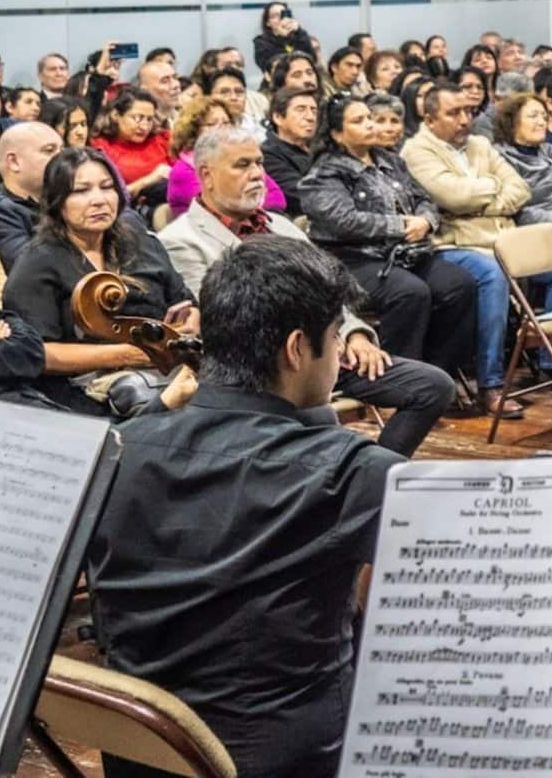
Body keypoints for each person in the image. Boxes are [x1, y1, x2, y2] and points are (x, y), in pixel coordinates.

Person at [86, 236, 401, 778]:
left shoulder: (115, 450)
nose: (337, 362)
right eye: (334, 339)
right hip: (288, 761)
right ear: (297, 349)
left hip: (143, 750)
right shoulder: (352, 472)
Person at [160, 127, 454, 457]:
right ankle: (347, 473)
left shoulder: (280, 225)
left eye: (259, 163)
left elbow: (327, 288)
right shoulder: (182, 240)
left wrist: (353, 333)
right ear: (207, 175)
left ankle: (378, 472)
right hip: (264, 371)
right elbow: (225, 322)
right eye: (242, 165)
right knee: (320, 418)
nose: (257, 174)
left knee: (432, 387)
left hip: (324, 353)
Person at [300, 93, 480, 392]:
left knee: (459, 285)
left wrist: (426, 221)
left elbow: (424, 199)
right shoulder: (324, 173)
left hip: (405, 254)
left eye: (369, 118)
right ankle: (396, 382)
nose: (370, 125)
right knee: (410, 293)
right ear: (337, 133)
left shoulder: (391, 160)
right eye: (359, 121)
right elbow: (342, 220)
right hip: (351, 259)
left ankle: (437, 374)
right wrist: (400, 225)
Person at [3, 147, 196, 417]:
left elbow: (185, 301)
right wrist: (129, 354)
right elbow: (36, 352)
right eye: (81, 191)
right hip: (86, 390)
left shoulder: (141, 242)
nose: (99, 200)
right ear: (57, 201)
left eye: (107, 187)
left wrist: (189, 324)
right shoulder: (38, 263)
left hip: (168, 368)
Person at [401, 86, 531, 418]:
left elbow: (520, 189)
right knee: (492, 273)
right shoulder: (416, 151)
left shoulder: (480, 144)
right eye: (453, 113)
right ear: (429, 119)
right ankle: (491, 384)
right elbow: (452, 197)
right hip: (456, 244)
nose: (464, 120)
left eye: (468, 111)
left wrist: (478, 201)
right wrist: (494, 186)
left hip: (504, 237)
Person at [165, 94, 284, 220]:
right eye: (212, 124)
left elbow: (277, 198)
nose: (222, 128)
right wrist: (256, 199)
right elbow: (225, 206)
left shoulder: (242, 159)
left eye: (226, 122)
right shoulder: (182, 171)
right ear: (193, 130)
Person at [493, 92, 552, 228]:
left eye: (544, 117)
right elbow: (519, 213)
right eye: (533, 116)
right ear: (512, 122)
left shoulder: (551, 151)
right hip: (542, 228)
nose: (542, 122)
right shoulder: (501, 157)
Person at [0, 120, 63, 268]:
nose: (62, 158)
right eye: (49, 151)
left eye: (62, 150)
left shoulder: (62, 199)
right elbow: (34, 268)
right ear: (14, 162)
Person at [89, 89, 171, 209]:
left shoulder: (163, 139)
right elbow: (106, 197)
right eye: (138, 118)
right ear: (116, 115)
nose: (144, 126)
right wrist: (149, 180)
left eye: (149, 119)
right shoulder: (101, 148)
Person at [261, 85, 321, 213]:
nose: (310, 117)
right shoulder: (269, 154)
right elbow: (302, 195)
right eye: (301, 110)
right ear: (278, 117)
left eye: (314, 111)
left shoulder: (322, 148)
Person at [198, 65, 263, 141]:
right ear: (210, 95)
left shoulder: (260, 128)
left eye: (239, 92)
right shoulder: (200, 126)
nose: (234, 97)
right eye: (224, 92)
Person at [251, 0, 316, 74]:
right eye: (275, 15)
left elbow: (312, 60)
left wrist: (299, 31)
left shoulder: (300, 35)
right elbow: (271, 66)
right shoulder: (261, 42)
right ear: (268, 23)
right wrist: (281, 38)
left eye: (283, 14)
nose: (281, 18)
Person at [136, 58, 182, 124]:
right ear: (145, 90)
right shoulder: (142, 126)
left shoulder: (189, 117)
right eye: (165, 81)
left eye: (175, 77)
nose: (176, 85)